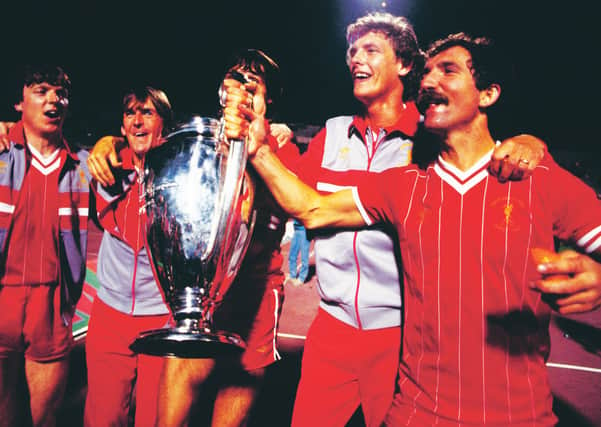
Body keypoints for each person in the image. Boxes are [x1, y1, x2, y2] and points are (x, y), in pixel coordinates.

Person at [231, 32, 601, 426]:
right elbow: (314, 208)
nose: (428, 82)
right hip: (415, 413)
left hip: (518, 415)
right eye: (426, 73)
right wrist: (260, 149)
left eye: (448, 70)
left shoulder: (536, 176)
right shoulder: (404, 184)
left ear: (488, 94)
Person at [87, 49, 300, 427]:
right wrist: (109, 141)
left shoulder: (284, 153)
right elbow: (146, 152)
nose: (241, 93)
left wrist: (259, 143)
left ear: (269, 102)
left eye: (253, 88)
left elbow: (266, 206)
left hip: (253, 302)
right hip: (200, 301)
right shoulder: (203, 147)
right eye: (234, 85)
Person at [0, 65, 91, 427]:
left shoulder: (82, 165)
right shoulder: (3, 153)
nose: (54, 99)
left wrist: (109, 142)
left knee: (46, 418)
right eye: (41, 91)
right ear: (18, 103)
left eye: (60, 93)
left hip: (51, 304)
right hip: (2, 297)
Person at [83, 86, 173, 427]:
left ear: (164, 122)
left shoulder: (181, 176)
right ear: (121, 127)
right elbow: (46, 146)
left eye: (147, 113)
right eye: (130, 113)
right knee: (102, 418)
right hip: (110, 316)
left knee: (153, 418)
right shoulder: (103, 167)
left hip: (160, 318)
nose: (137, 121)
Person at [287, 218, 311, 286]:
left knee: (304, 256)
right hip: (296, 228)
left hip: (304, 230)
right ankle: (292, 275)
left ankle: (301, 278)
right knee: (292, 254)